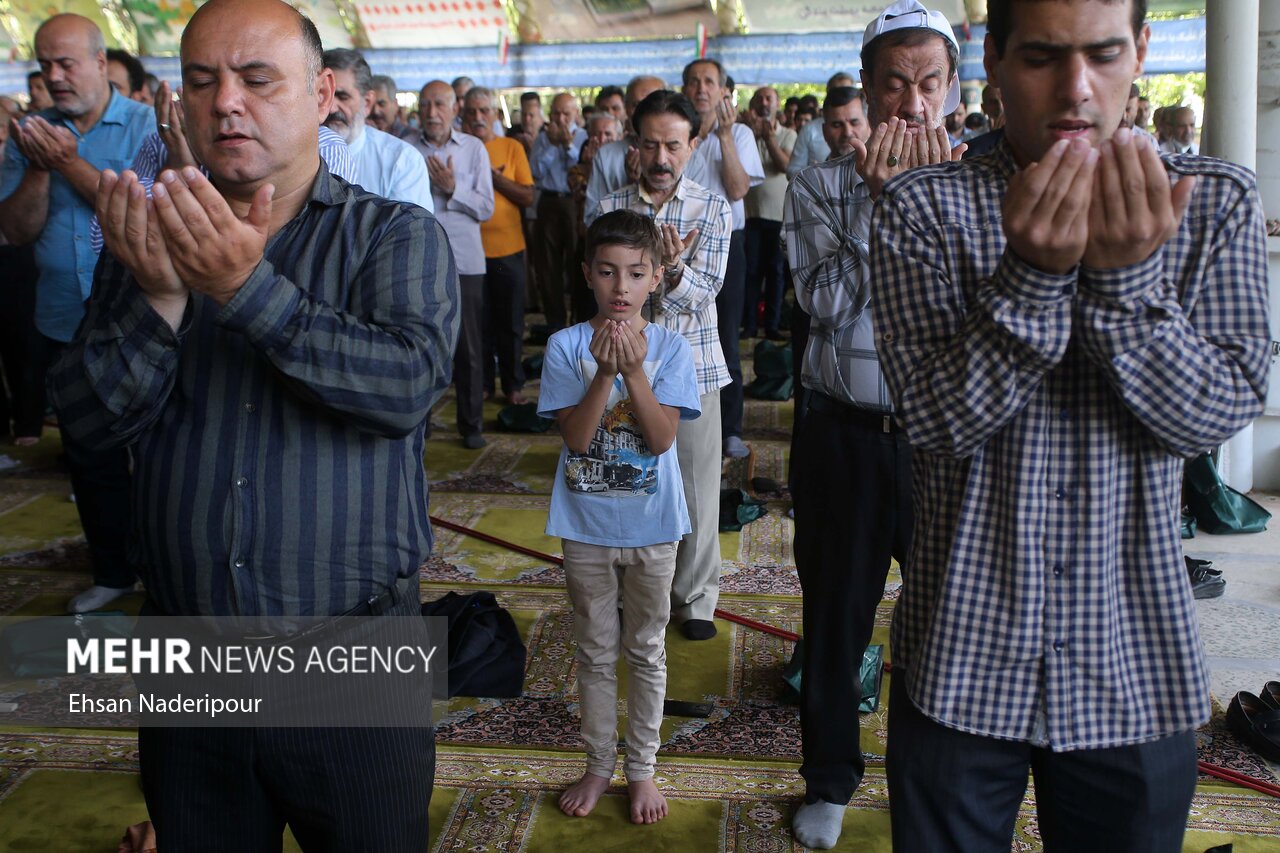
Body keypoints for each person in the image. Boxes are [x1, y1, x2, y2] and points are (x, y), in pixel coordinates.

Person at [49, 0, 458, 849]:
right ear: (180, 105)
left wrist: (246, 292)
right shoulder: (147, 241)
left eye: (256, 79)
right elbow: (87, 425)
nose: (226, 102)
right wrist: (162, 299)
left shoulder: (392, 234)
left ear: (322, 95)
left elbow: (404, 388)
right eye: (202, 82)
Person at [870, 0, 1270, 849]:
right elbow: (933, 421)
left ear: (1141, 53)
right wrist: (1032, 280)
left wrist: (1126, 294)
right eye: (1044, 57)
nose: (1076, 88)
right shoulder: (923, 208)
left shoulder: (1212, 202)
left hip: (1133, 657)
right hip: (965, 653)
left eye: (1103, 54)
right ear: (996, 59)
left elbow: (1213, 418)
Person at [782, 2, 966, 847]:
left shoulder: (978, 181)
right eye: (894, 83)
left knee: (948, 622)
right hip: (845, 432)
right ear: (868, 89)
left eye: (929, 82)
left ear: (954, 90)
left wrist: (924, 202)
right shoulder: (818, 182)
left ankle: (933, 784)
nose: (911, 104)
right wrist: (875, 204)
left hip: (943, 440)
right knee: (836, 615)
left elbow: (978, 305)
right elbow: (823, 302)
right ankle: (829, 779)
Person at [538, 208, 700, 826]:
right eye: (607, 273)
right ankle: (598, 762)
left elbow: (661, 440)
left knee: (648, 649)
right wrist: (605, 370)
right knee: (595, 650)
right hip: (585, 526)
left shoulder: (671, 348)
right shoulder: (565, 346)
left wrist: (634, 370)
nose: (621, 288)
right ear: (588, 275)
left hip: (655, 527)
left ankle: (643, 767)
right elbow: (578, 440)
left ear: (656, 278)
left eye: (635, 274)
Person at [0, 13, 153, 613]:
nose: (55, 77)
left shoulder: (146, 125)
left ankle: (168, 566)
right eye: (45, 65)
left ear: (99, 63)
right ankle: (112, 570)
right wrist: (40, 165)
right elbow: (14, 230)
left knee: (160, 455)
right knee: (89, 456)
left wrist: (67, 162)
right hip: (62, 316)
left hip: (140, 318)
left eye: (67, 63)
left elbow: (137, 214)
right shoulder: (32, 135)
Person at [598, 89, 732, 642]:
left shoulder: (713, 208)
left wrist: (670, 273)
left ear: (693, 145)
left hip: (694, 367)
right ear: (634, 145)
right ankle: (635, 592)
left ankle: (696, 597)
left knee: (698, 487)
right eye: (650, 145)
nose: (661, 159)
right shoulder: (611, 209)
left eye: (673, 146)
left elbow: (706, 292)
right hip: (626, 366)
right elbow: (608, 294)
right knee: (628, 483)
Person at [682, 58, 764, 459]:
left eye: (709, 82)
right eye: (694, 82)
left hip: (728, 244)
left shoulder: (742, 134)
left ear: (722, 91)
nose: (701, 89)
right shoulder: (679, 135)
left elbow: (737, 190)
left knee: (725, 335)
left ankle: (730, 428)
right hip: (681, 244)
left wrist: (725, 135)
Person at [413, 79, 496, 449]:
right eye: (426, 105)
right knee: (419, 341)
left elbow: (486, 207)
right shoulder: (406, 149)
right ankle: (421, 424)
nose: (432, 113)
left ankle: (471, 425)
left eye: (439, 105)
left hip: (465, 261)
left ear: (453, 109)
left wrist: (452, 189)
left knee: (469, 347)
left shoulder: (473, 148)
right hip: (418, 260)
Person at [462, 85, 534, 406]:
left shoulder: (511, 148)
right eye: (471, 112)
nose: (478, 118)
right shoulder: (459, 148)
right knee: (479, 325)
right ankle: (483, 384)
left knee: (511, 322)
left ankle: (513, 384)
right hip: (469, 253)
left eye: (483, 111)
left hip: (508, 251)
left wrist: (494, 178)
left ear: (494, 115)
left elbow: (526, 196)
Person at [322, 48, 433, 211]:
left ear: (366, 102)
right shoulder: (289, 154)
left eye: (342, 97)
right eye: (322, 94)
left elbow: (411, 234)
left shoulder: (402, 161)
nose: (330, 108)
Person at [741, 85, 795, 340]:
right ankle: (750, 325)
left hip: (779, 216)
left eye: (769, 98)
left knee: (775, 273)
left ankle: (771, 326)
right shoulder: (744, 136)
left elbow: (785, 166)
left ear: (777, 104)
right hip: (751, 216)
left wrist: (769, 137)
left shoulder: (787, 135)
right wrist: (752, 134)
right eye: (760, 98)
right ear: (753, 105)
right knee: (751, 272)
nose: (764, 102)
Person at [530, 92, 588, 330]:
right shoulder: (543, 138)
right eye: (556, 113)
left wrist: (568, 145)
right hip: (549, 202)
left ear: (576, 113)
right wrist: (553, 146)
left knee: (578, 263)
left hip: (575, 203)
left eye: (566, 113)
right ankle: (555, 323)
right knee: (548, 266)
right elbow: (535, 171)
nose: (561, 118)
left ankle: (578, 320)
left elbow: (581, 167)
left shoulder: (584, 136)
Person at [786, 72, 855, 180]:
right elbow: (792, 171)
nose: (847, 132)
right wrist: (813, 174)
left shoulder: (868, 124)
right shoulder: (809, 129)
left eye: (847, 91)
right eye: (837, 93)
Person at [368, 74, 416, 139]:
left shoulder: (412, 137)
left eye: (381, 104)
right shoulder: (360, 136)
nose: (375, 111)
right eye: (370, 104)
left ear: (395, 104)